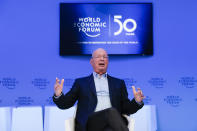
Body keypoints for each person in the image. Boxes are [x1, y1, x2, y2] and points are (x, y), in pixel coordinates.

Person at [53, 48, 145, 131]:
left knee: (111, 121)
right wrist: (58, 95)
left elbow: (126, 109)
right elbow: (65, 104)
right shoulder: (81, 83)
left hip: (113, 124)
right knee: (111, 112)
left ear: (108, 62)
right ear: (91, 62)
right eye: (98, 57)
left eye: (105, 57)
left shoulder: (118, 83)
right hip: (90, 124)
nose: (102, 59)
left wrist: (136, 101)